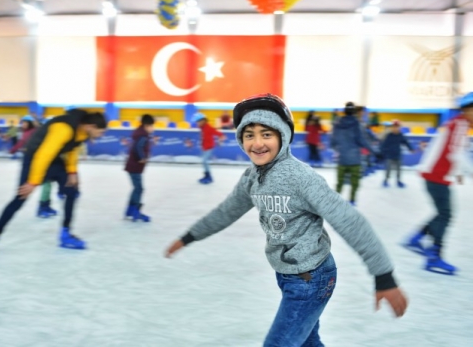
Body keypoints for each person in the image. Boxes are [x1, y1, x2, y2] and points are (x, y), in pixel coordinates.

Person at [165, 94, 408, 346]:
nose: (257, 143)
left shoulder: (301, 178)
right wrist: (189, 236)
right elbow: (226, 211)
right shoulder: (252, 177)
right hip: (289, 276)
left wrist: (384, 275)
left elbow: (349, 221)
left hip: (311, 278)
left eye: (267, 134)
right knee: (307, 343)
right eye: (249, 135)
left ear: (283, 136)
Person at [0, 109, 107, 257]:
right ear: (91, 126)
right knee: (20, 198)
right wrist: (33, 182)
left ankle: (66, 235)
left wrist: (71, 172)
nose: (101, 135)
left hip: (53, 159)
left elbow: (72, 149)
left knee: (72, 190)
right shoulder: (64, 129)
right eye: (100, 132)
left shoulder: (82, 131)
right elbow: (43, 155)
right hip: (34, 157)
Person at [404, 93, 473, 275]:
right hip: (436, 176)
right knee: (445, 215)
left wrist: (457, 172)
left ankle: (416, 238)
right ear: (467, 110)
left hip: (435, 175)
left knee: (443, 213)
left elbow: (449, 152)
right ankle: (433, 256)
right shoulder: (460, 124)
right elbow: (455, 153)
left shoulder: (457, 124)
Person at [331, 102, 377, 206]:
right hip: (355, 159)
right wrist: (374, 152)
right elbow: (363, 141)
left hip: (342, 159)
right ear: (354, 112)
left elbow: (333, 142)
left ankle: (336, 201)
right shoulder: (357, 124)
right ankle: (352, 199)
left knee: (340, 182)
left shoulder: (337, 124)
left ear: (345, 111)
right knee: (355, 182)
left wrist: (340, 149)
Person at [124, 114, 155, 222]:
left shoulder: (141, 133)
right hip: (135, 166)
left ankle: (130, 210)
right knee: (139, 189)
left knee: (136, 188)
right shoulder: (143, 135)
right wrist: (142, 158)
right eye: (152, 126)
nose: (153, 128)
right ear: (146, 125)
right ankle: (135, 212)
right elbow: (138, 147)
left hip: (133, 165)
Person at [191, 112, 226, 184]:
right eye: (197, 122)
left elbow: (216, 132)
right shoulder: (202, 128)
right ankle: (206, 176)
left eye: (198, 122)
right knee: (204, 162)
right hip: (204, 148)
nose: (197, 124)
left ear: (203, 121)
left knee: (204, 161)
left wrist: (221, 136)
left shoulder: (208, 127)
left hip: (209, 148)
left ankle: (209, 177)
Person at [380, 120, 414, 188]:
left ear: (399, 127)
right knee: (388, 169)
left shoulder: (400, 135)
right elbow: (384, 145)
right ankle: (386, 180)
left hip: (398, 155)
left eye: (397, 127)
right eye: (394, 127)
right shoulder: (389, 135)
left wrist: (411, 148)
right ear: (392, 127)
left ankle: (398, 181)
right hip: (389, 155)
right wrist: (382, 153)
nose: (395, 128)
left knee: (399, 169)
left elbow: (406, 142)